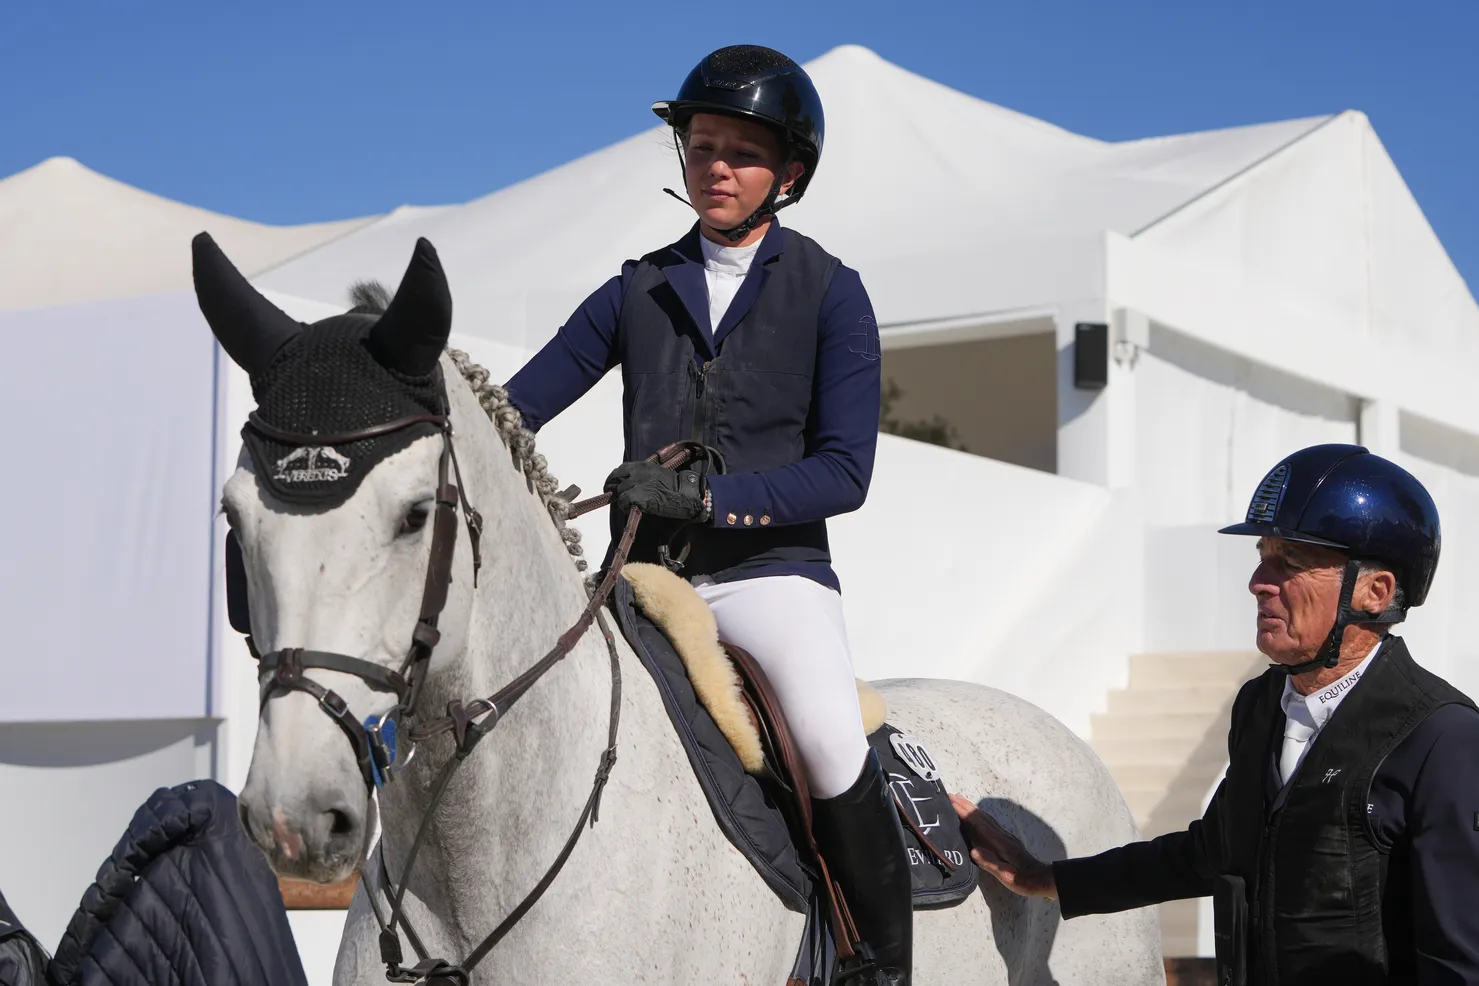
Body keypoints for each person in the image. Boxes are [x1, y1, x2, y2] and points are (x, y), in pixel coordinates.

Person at [503, 45, 908, 985]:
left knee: (824, 736)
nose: (714, 168)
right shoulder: (634, 288)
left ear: (789, 174)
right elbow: (517, 409)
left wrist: (708, 498)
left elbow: (845, 473)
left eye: (739, 153)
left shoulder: (830, 290)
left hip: (770, 579)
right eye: (700, 147)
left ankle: (883, 966)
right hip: (641, 576)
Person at [950, 443, 1479, 985]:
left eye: (1290, 562)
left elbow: (1459, 962)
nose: (1259, 582)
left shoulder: (1444, 739)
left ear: (1376, 591)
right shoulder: (1258, 707)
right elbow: (1209, 853)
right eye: (1262, 558)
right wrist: (1046, 878)